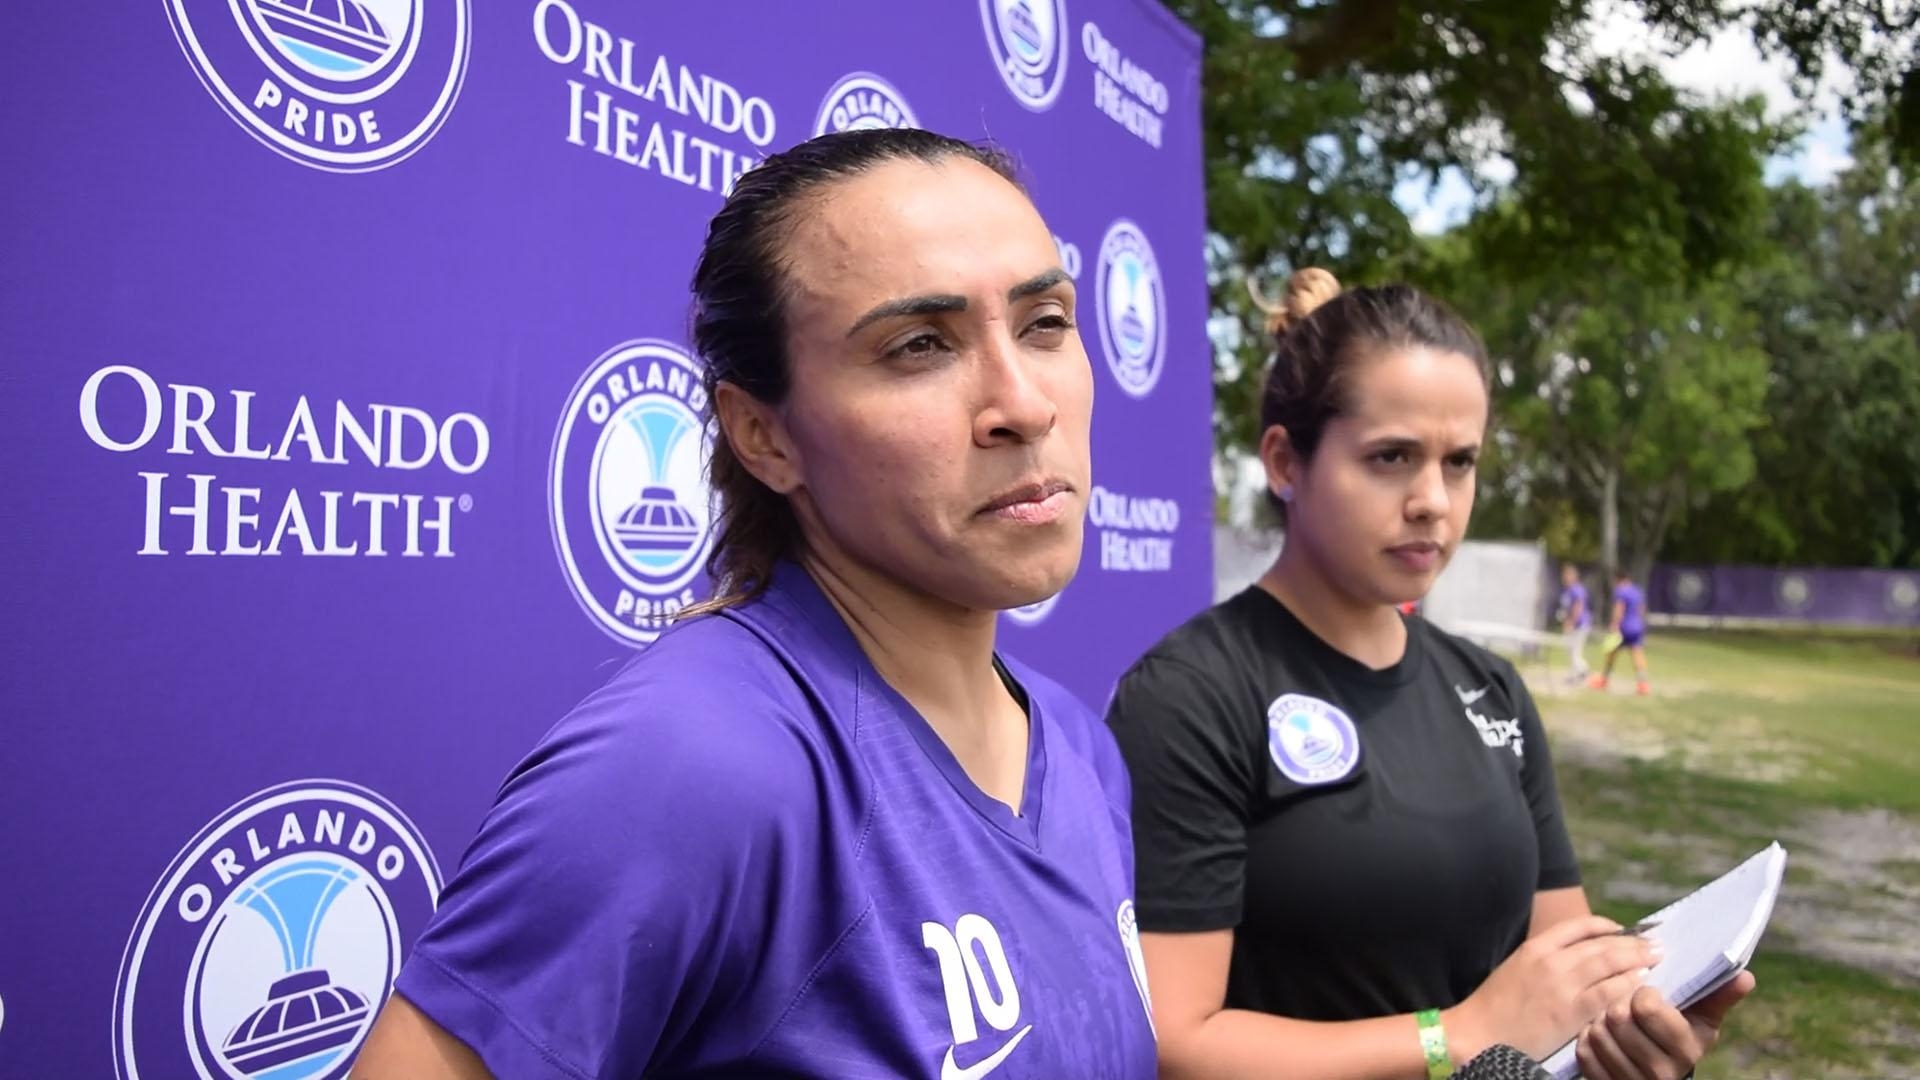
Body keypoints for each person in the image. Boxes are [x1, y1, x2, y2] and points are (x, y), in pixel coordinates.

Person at [354, 128, 1159, 1079]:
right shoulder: (692, 767)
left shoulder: (1077, 745)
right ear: (764, 437)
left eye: (1045, 323)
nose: (1023, 404)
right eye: (918, 346)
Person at [1104, 269, 1751, 1080]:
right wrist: (1458, 1034)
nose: (1432, 501)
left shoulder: (1491, 690)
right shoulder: (1192, 695)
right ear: (1283, 461)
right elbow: (1171, 1040)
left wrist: (1628, 1027)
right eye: (1392, 458)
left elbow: (1557, 962)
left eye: (1460, 462)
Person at [1591, 570, 1652, 695]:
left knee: (1611, 652)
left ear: (1618, 579)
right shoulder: (1637, 591)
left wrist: (1614, 624)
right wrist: (1640, 624)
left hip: (1624, 627)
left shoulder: (1621, 591)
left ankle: (1603, 680)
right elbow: (1642, 609)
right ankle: (1643, 684)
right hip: (1637, 626)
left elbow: (1619, 608)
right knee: (1637, 654)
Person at [1557, 563, 1593, 684]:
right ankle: (1577, 673)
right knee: (1570, 650)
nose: (1564, 577)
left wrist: (1571, 622)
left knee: (1575, 650)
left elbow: (1578, 606)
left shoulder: (1577, 589)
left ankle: (1582, 671)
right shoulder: (1568, 590)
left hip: (1580, 625)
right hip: (1573, 623)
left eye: (1567, 575)